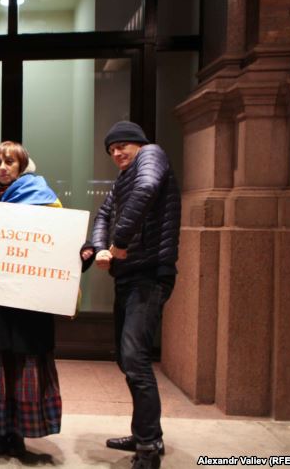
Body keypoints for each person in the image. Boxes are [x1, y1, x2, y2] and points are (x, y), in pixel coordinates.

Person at [80, 121, 180, 469]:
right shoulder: (124, 179)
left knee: (135, 358)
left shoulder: (152, 156)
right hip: (129, 276)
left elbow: (147, 189)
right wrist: (99, 248)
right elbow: (104, 214)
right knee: (127, 359)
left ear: (139, 144)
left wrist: (118, 242)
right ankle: (145, 432)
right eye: (111, 149)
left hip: (149, 275)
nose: (117, 153)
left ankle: (149, 447)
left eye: (123, 145)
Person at [0, 141, 65, 457]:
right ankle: (1, 431)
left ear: (22, 166)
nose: (3, 167)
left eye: (10, 161)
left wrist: (82, 251)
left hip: (26, 305)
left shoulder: (46, 201)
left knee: (24, 363)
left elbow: (61, 244)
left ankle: (19, 432)